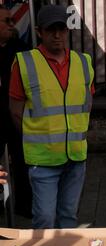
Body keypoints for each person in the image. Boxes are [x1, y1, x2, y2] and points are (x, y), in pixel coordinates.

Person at [8, 5, 95, 229]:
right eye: (51, 30)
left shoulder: (83, 62)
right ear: (39, 32)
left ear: (68, 30)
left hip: (76, 157)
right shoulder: (25, 63)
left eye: (62, 29)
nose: (57, 35)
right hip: (43, 160)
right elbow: (16, 111)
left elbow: (87, 103)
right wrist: (39, 139)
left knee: (68, 217)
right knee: (45, 218)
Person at [0, 4, 31, 217]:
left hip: (15, 115)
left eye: (13, 20)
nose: (13, 25)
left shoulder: (20, 49)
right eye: (7, 21)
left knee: (22, 162)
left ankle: (24, 206)